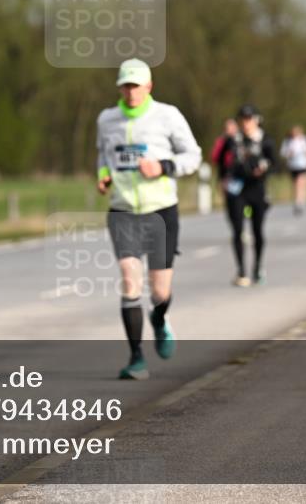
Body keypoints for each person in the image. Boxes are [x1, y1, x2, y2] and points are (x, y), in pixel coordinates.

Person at [96, 59, 201, 380]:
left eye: (136, 86)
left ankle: (159, 318)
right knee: (130, 280)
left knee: (159, 291)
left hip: (160, 210)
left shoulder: (167, 115)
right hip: (123, 210)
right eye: (125, 86)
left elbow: (193, 156)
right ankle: (136, 358)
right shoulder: (107, 119)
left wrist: (164, 167)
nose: (130, 92)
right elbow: (103, 154)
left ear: (149, 87)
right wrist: (103, 175)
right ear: (119, 87)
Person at [224, 105, 274, 286]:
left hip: (257, 189)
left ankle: (258, 267)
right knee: (237, 230)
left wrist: (263, 169)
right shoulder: (233, 140)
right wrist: (224, 178)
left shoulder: (265, 140)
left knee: (257, 230)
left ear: (256, 120)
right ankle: (241, 271)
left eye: (249, 119)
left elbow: (273, 162)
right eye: (243, 119)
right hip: (237, 189)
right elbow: (222, 160)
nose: (246, 123)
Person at [279, 125, 306, 216]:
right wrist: (290, 153)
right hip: (293, 166)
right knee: (296, 185)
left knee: (301, 182)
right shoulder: (288, 141)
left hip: (303, 165)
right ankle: (298, 200)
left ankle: (300, 202)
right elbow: (283, 153)